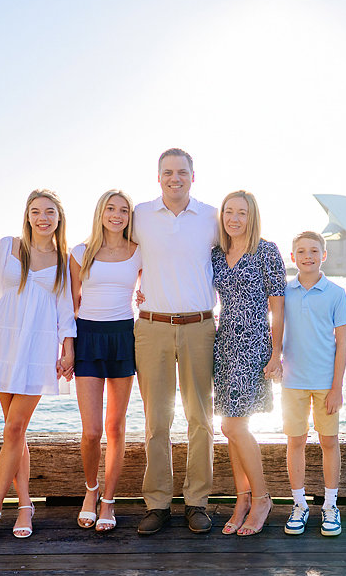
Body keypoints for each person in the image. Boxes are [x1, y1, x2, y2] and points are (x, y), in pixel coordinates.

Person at [0, 189, 76, 543]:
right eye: (35, 211)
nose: (42, 217)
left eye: (49, 212)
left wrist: (68, 349)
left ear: (59, 218)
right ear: (27, 215)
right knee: (14, 432)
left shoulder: (64, 259)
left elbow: (65, 310)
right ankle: (26, 504)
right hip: (4, 342)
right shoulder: (8, 246)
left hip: (38, 349)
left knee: (14, 429)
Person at [132, 148, 217, 535]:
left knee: (200, 418)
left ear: (193, 176)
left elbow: (241, 249)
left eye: (182, 172)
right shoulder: (140, 216)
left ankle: (197, 502)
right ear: (159, 176)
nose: (174, 178)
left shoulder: (212, 218)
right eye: (168, 172)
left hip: (199, 326)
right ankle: (158, 503)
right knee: (156, 421)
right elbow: (105, 248)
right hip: (152, 328)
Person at [211, 190, 286, 536]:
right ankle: (242, 498)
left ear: (252, 217)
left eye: (241, 212)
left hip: (254, 344)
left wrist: (276, 353)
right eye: (229, 211)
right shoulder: (215, 254)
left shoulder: (266, 251)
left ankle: (261, 498)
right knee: (228, 427)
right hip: (224, 343)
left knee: (236, 426)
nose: (234, 218)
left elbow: (278, 306)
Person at [69, 189, 141, 533]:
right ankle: (91, 491)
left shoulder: (138, 253)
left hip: (124, 336)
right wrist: (66, 348)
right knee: (91, 431)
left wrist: (143, 296)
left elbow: (151, 288)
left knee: (115, 427)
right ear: (100, 212)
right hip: (87, 336)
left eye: (123, 210)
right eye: (111, 209)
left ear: (130, 216)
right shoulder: (81, 253)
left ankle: (109, 499)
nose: (117, 215)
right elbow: (69, 305)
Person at [280, 231, 346, 537]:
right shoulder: (284, 292)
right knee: (295, 441)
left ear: (324, 255)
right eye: (301, 251)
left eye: (313, 251)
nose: (307, 256)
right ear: (292, 257)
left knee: (329, 442)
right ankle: (299, 505)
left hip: (325, 384)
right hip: (292, 381)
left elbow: (343, 344)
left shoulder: (336, 293)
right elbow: (274, 330)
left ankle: (330, 505)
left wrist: (337, 387)